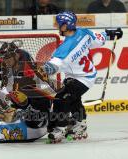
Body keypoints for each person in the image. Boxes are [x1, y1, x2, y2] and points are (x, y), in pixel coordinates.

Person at [41, 11, 119, 143]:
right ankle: (80, 124)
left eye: (59, 24)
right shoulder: (84, 32)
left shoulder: (64, 49)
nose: (58, 27)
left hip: (83, 78)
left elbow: (51, 67)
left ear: (66, 26)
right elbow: (100, 39)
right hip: (83, 75)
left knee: (62, 98)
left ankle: (58, 129)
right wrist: (110, 33)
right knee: (73, 98)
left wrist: (38, 70)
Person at [0, 41, 54, 143]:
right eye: (4, 59)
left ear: (16, 56)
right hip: (27, 112)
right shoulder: (10, 68)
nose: (6, 61)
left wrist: (26, 110)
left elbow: (45, 95)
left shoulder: (31, 71)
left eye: (8, 58)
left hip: (38, 115)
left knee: (29, 117)